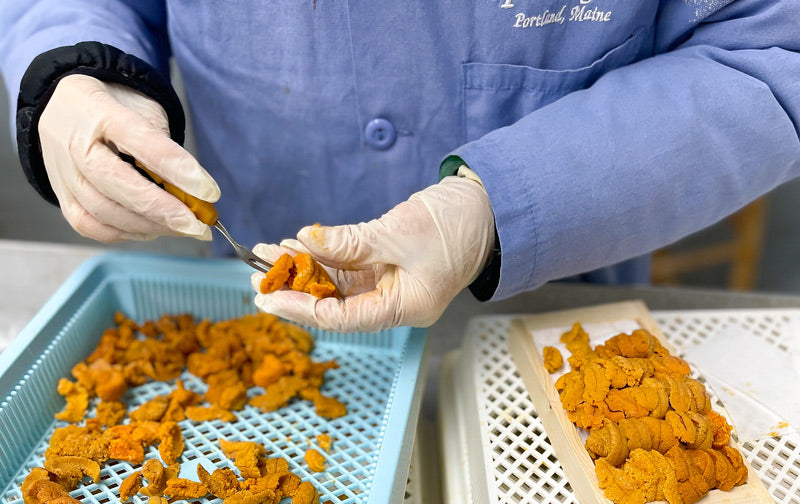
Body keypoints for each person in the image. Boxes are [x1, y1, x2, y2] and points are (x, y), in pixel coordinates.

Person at [1, 2, 798, 333]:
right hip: (252, 294)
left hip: (539, 313)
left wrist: (499, 208)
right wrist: (74, 70)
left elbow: (767, 49)